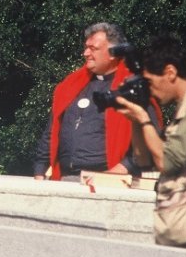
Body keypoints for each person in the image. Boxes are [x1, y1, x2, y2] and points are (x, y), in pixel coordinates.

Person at [34, 23, 160, 180]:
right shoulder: (69, 86)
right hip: (65, 178)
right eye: (86, 47)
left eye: (93, 49)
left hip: (110, 182)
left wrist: (119, 170)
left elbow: (150, 136)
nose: (85, 53)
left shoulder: (132, 87)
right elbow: (51, 132)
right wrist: (40, 170)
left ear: (113, 53)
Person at [112, 36, 186, 247]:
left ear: (170, 73)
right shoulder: (183, 108)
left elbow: (166, 162)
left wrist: (144, 119)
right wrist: (136, 120)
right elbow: (143, 159)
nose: (149, 88)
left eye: (149, 82)